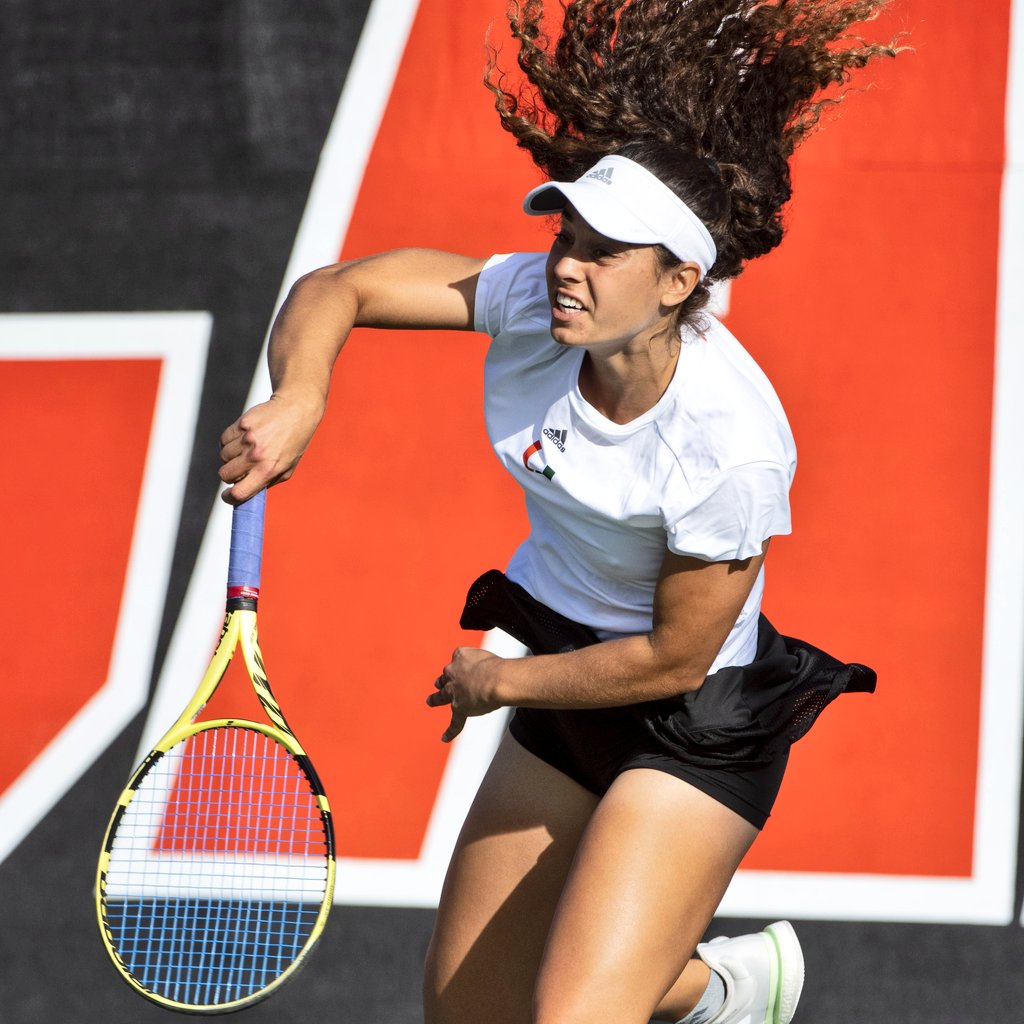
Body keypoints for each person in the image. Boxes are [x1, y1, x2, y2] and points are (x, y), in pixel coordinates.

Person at [218, 3, 900, 1022]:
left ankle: (700, 986)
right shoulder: (539, 304)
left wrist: (502, 677)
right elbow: (342, 287)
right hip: (567, 686)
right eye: (565, 234)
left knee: (573, 1016)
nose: (566, 264)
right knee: (467, 1011)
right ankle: (717, 990)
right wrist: (302, 394)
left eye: (605, 251)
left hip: (692, 723)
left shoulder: (728, 445)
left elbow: (673, 657)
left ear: (679, 282)